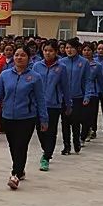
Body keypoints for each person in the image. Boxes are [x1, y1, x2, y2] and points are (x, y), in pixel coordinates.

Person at [0, 47, 48, 190]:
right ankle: (20, 169)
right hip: (8, 116)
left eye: (23, 55)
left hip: (27, 117)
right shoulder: (5, 75)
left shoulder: (35, 77)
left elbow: (40, 99)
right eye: (16, 55)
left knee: (21, 145)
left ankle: (15, 174)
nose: (19, 58)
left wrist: (44, 119)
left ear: (29, 58)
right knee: (13, 145)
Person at [32, 40, 70, 172]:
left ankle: (46, 157)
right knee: (40, 130)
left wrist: (68, 104)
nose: (48, 53)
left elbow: (65, 87)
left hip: (54, 104)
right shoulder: (36, 66)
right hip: (38, 104)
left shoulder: (61, 67)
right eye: (45, 50)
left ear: (56, 52)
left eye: (51, 51)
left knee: (51, 131)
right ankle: (46, 149)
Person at [60, 38, 91, 155]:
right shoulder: (62, 62)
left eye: (71, 48)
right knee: (65, 122)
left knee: (76, 121)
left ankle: (76, 142)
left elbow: (87, 80)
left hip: (77, 97)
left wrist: (87, 95)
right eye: (67, 48)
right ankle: (66, 146)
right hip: (64, 97)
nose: (69, 50)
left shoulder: (84, 62)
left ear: (77, 49)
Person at [80, 43, 103, 144]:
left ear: (93, 52)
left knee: (90, 115)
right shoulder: (78, 63)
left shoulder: (97, 66)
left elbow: (101, 81)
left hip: (92, 93)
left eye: (88, 50)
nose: (86, 52)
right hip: (79, 93)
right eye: (84, 50)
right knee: (80, 116)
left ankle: (87, 132)